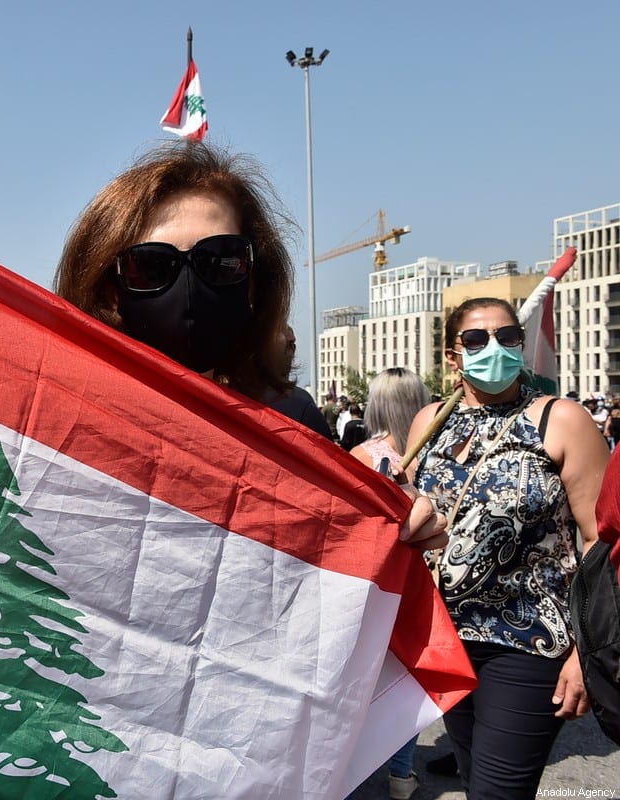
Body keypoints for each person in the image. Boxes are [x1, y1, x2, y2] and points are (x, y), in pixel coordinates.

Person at [51, 139, 447, 552]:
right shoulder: (58, 423)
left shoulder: (289, 422)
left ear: (255, 284)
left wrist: (394, 529)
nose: (189, 289)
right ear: (110, 289)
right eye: (150, 264)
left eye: (221, 260)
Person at [408, 297, 609, 800]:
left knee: (497, 792)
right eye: (476, 340)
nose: (492, 348)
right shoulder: (430, 422)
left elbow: (604, 540)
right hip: (443, 641)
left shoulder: (561, 419)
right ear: (453, 355)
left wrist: (586, 653)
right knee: (477, 780)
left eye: (506, 337)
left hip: (529, 643)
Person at [349, 367, 432, 800]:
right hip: (427, 580)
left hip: (378, 583)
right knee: (408, 677)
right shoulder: (436, 454)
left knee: (364, 676)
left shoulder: (362, 454)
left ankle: (352, 768)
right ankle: (402, 773)